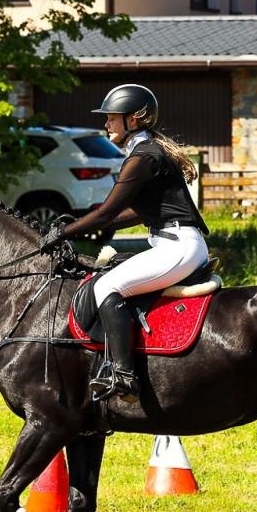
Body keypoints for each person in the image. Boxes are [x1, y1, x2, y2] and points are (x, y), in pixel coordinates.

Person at [40, 84, 209, 402]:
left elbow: (106, 214)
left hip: (178, 246)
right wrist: (77, 227)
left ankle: (124, 377)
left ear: (133, 119)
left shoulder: (143, 157)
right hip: (173, 243)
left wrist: (64, 232)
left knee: (107, 287)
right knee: (108, 277)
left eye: (112, 118)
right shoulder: (147, 152)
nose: (106, 125)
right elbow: (134, 213)